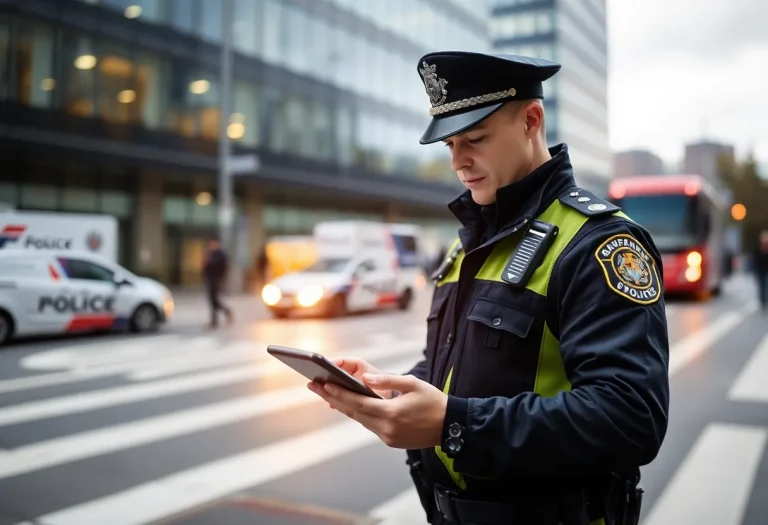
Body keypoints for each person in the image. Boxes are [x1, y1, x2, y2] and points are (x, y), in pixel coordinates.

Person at [308, 51, 669, 525]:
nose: (458, 161)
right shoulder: (469, 243)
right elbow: (466, 368)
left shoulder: (598, 242)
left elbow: (631, 416)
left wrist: (453, 423)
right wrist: (392, 390)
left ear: (531, 120)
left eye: (475, 138)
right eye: (449, 144)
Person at [202, 237, 233, 329]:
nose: (211, 246)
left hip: (216, 280)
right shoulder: (211, 254)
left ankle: (220, 316)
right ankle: (221, 315)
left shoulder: (221, 255)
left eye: (213, 244)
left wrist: (221, 280)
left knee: (214, 300)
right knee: (212, 300)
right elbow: (206, 267)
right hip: (210, 279)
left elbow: (223, 268)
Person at [752, 230, 768, 310]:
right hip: (760, 270)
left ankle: (765, 299)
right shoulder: (758, 249)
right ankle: (762, 300)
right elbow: (755, 259)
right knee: (761, 286)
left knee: (766, 285)